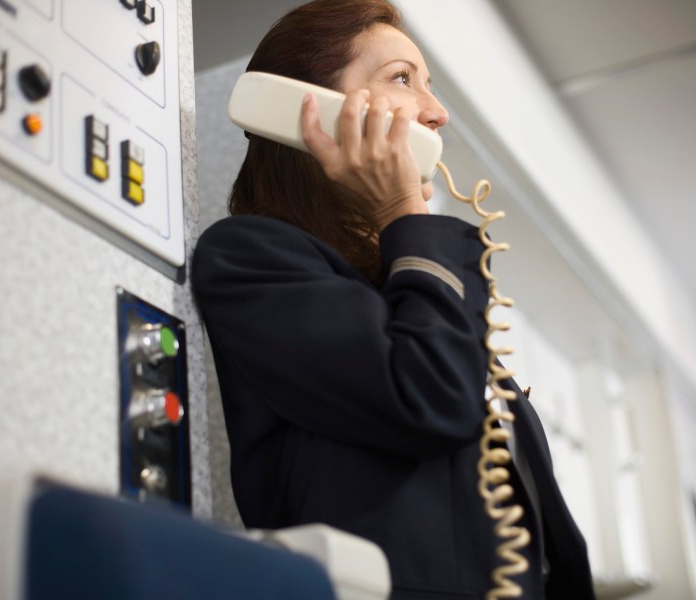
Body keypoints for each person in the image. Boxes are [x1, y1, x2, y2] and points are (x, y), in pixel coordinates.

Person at [192, 1, 596, 598]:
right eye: (403, 79)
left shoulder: (412, 285)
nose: (437, 113)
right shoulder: (248, 258)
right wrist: (403, 210)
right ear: (313, 111)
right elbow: (428, 398)